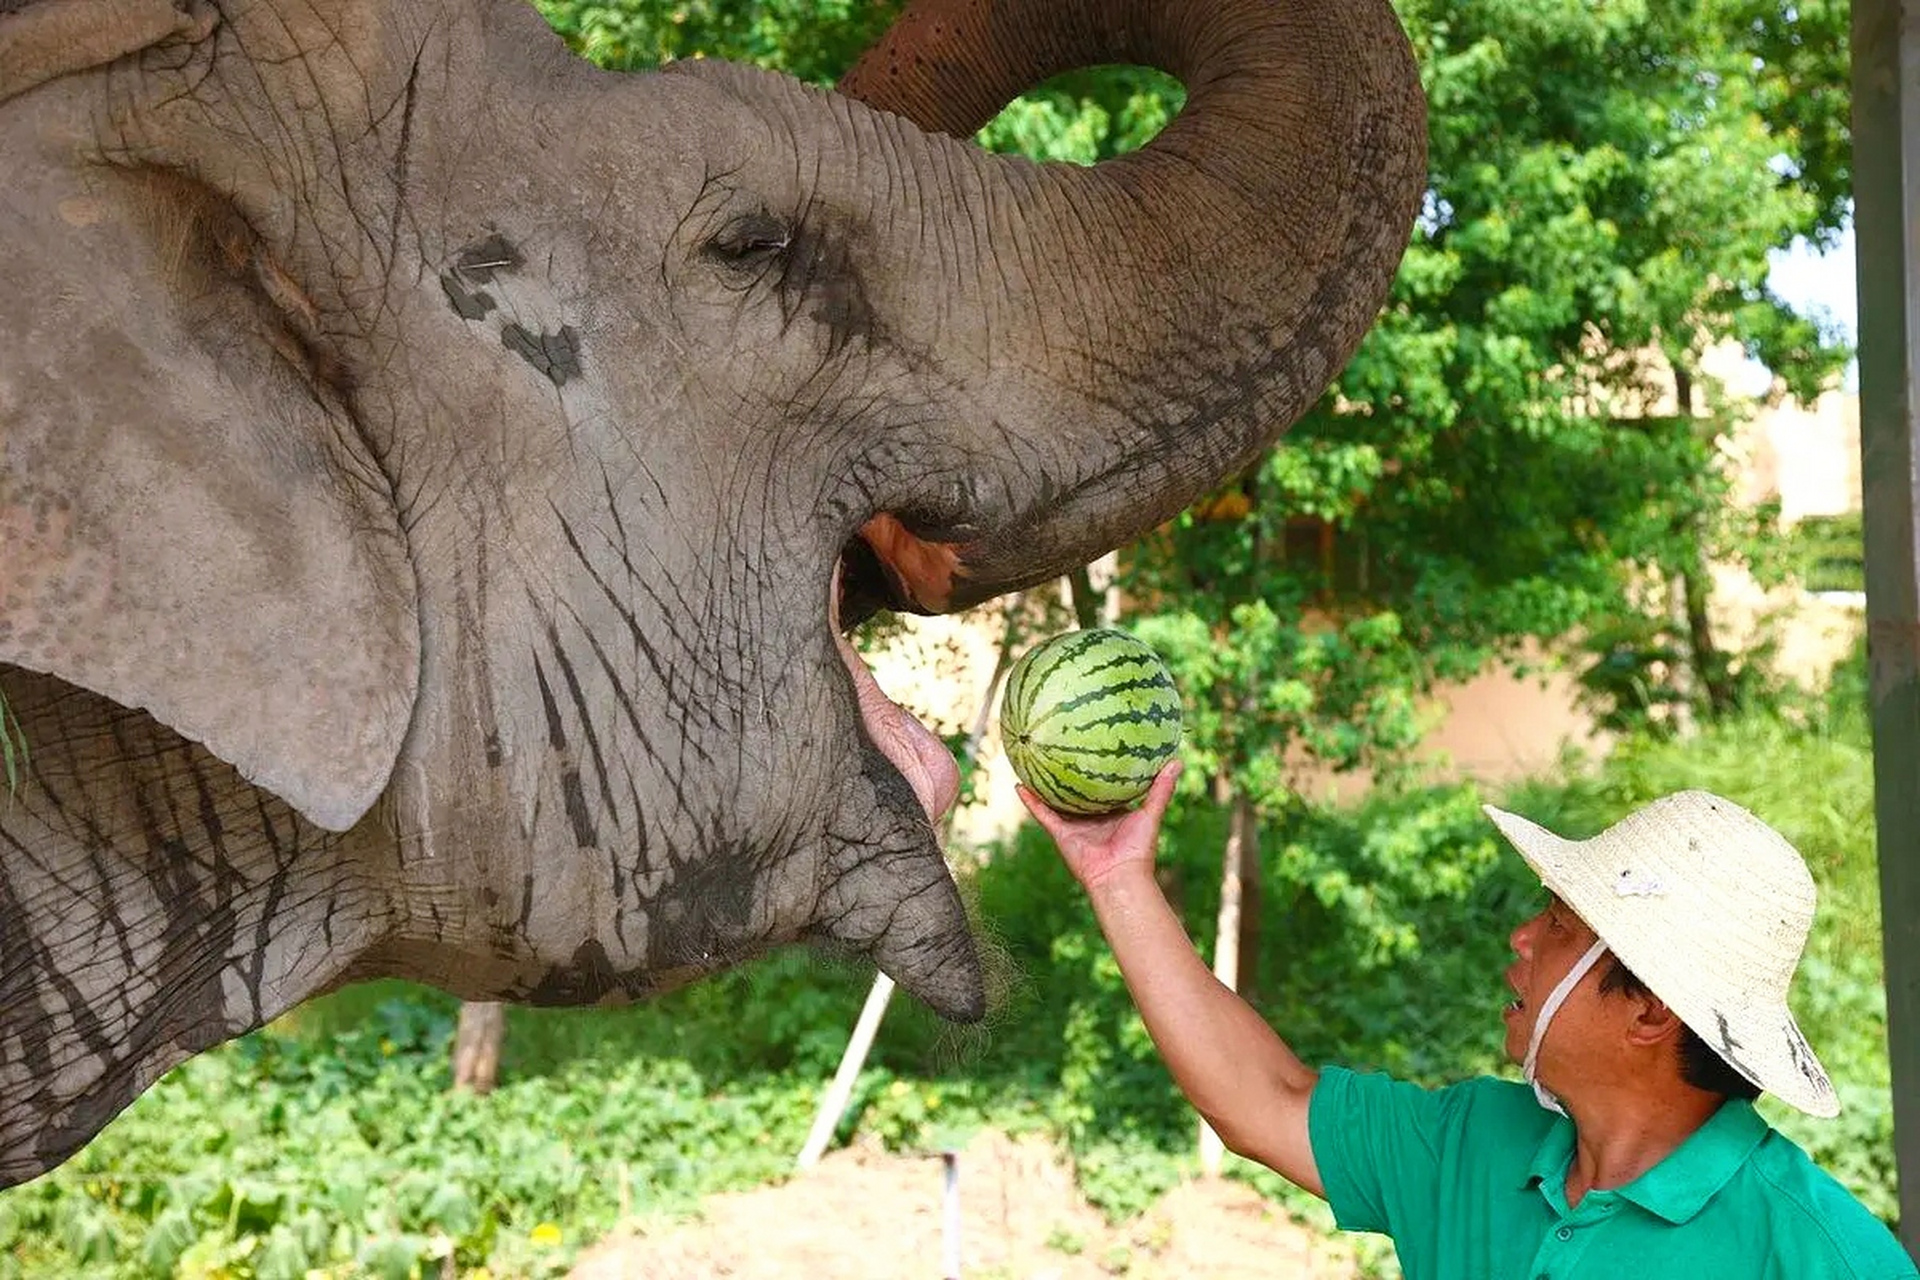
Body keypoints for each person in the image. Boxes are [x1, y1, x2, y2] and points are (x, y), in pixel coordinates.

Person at [1019, 760, 1918, 1279]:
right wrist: (1117, 879)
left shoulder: (1819, 1254)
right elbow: (1263, 1102)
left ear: (1649, 1008)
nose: (1523, 937)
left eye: (1559, 925)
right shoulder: (1477, 1142)